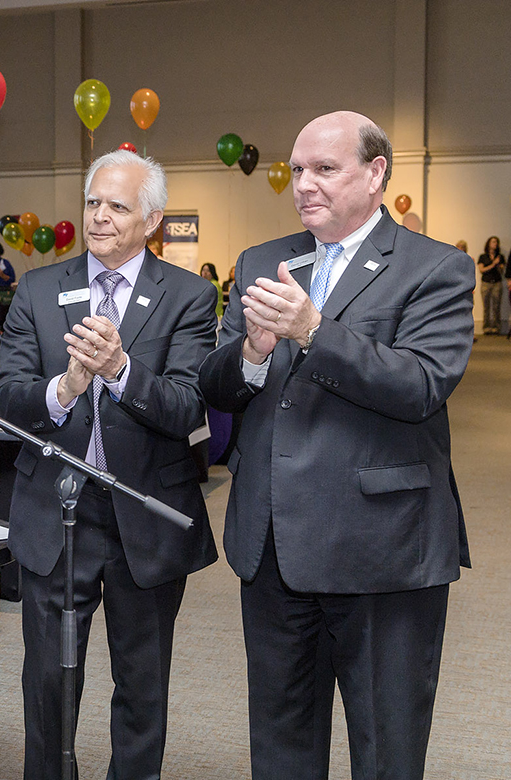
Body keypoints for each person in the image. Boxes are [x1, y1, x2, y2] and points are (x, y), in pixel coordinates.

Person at [199, 111, 473, 780]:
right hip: (271, 545)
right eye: (297, 171)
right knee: (280, 744)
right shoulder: (262, 260)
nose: (304, 185)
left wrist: (314, 329)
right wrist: (253, 353)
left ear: (375, 173)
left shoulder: (435, 268)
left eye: (324, 169)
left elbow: (420, 384)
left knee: (386, 747)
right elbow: (215, 384)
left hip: (379, 548)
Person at [0, 149, 218, 780]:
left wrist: (120, 371)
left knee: (142, 688)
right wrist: (62, 389)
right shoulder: (38, 289)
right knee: (47, 686)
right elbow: (6, 395)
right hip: (55, 512)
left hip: (142, 516)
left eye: (118, 206)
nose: (99, 217)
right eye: (93, 202)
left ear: (151, 221)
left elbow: (187, 408)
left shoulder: (190, 297)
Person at [477, 235, 504, 334]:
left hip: (497, 283)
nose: (495, 244)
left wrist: (498, 265)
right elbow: (482, 269)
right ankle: (486, 327)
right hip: (486, 283)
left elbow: (502, 271)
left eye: (496, 242)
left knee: (496, 306)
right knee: (486, 306)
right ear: (488, 244)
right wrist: (493, 264)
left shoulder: (500, 257)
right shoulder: (483, 257)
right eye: (493, 242)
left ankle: (496, 327)